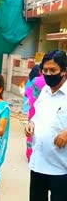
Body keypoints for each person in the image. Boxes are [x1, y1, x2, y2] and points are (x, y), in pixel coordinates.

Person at [25, 50, 67, 200]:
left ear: (64, 71)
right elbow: (38, 115)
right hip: (38, 164)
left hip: (61, 168)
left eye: (53, 70)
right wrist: (31, 123)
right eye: (45, 70)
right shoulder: (44, 91)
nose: (48, 74)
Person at [23, 64, 46, 162]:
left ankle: (30, 154)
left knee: (31, 132)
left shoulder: (35, 80)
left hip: (33, 111)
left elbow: (27, 94)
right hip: (45, 113)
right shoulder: (54, 83)